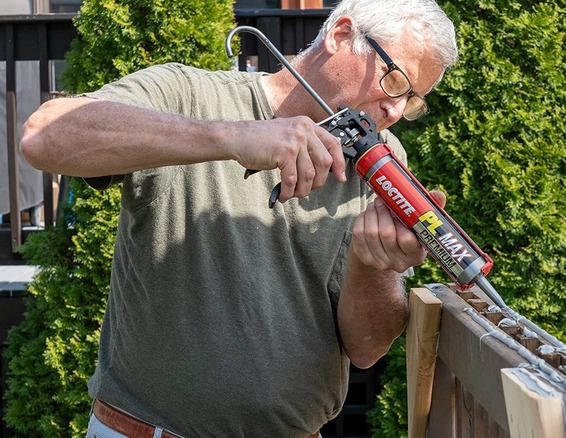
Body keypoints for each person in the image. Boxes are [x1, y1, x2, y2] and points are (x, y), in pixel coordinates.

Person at [20, 0, 458, 437]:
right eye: (395, 81)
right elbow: (43, 137)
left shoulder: (379, 160)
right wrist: (231, 135)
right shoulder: (190, 95)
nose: (396, 111)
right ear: (341, 35)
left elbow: (365, 350)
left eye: (414, 101)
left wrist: (374, 264)